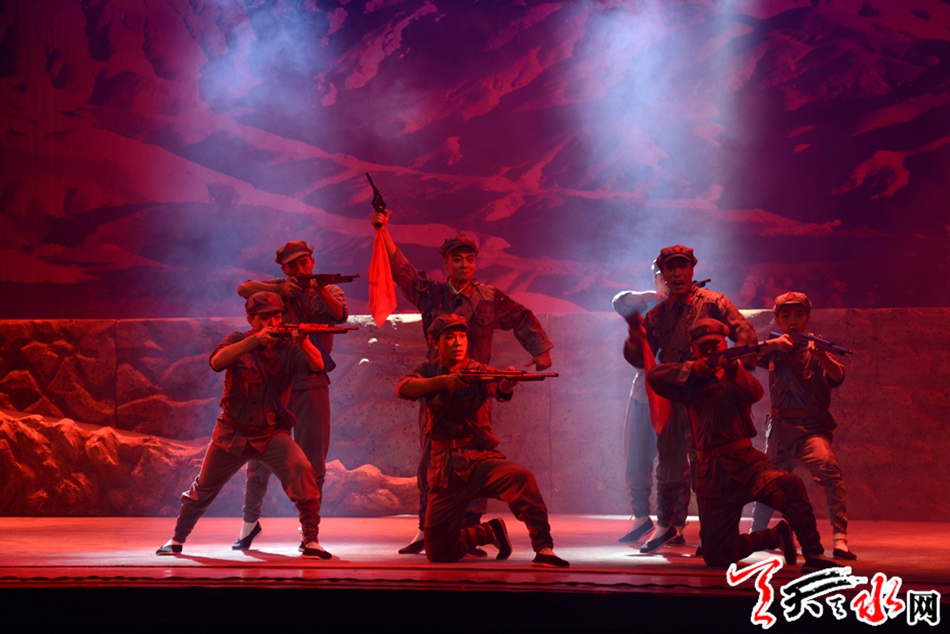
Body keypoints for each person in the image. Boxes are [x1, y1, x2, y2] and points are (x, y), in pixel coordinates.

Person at [371, 207, 553, 554]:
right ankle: (427, 528)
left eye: (470, 259)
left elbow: (521, 317)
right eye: (457, 259)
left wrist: (540, 350)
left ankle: (470, 529)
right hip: (437, 390)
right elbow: (402, 271)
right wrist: (383, 231)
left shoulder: (488, 297)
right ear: (446, 263)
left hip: (475, 391)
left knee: (475, 456)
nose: (465, 265)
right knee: (431, 460)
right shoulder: (432, 294)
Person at [646, 319, 839, 573]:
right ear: (693, 350)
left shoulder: (735, 375)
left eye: (715, 346)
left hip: (746, 466)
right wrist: (695, 368)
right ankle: (774, 536)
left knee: (790, 484)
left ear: (725, 346)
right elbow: (654, 376)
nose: (710, 351)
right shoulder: (688, 382)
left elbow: (755, 393)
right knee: (717, 555)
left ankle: (813, 553)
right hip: (712, 476)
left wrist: (732, 368)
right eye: (703, 348)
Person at [156, 292, 331, 559]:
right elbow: (216, 361)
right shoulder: (238, 339)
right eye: (265, 317)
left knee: (302, 471)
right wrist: (254, 341)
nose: (273, 322)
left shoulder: (287, 348)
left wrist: (304, 342)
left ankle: (311, 540)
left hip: (270, 435)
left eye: (277, 316)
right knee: (203, 489)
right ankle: (177, 538)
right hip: (232, 433)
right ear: (251, 319)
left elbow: (318, 364)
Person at [396, 313, 568, 567]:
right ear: (435, 343)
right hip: (444, 470)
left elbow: (496, 387)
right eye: (450, 337)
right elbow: (403, 388)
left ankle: (544, 548)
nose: (458, 342)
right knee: (439, 552)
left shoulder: (478, 370)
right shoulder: (428, 371)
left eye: (462, 336)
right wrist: (444, 381)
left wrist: (507, 384)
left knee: (521, 478)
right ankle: (488, 532)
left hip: (477, 462)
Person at [623, 245, 758, 554]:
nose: (677, 273)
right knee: (668, 462)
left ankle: (712, 529)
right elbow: (639, 359)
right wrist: (635, 339)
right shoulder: (657, 315)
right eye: (670, 268)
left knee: (706, 466)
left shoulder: (713, 302)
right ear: (663, 274)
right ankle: (666, 525)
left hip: (708, 398)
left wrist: (731, 370)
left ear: (692, 269)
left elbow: (744, 333)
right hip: (674, 396)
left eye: (682, 266)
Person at [231, 240, 348, 552]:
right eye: (292, 265)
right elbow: (244, 289)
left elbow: (339, 315)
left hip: (311, 381)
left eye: (304, 262)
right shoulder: (278, 288)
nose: (300, 269)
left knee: (313, 461)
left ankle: (310, 534)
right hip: (275, 382)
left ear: (312, 261)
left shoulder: (329, 290)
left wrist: (319, 289)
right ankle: (249, 523)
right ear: (284, 269)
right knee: (258, 455)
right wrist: (281, 290)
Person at [749, 292, 855, 560]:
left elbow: (837, 376)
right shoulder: (775, 348)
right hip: (780, 431)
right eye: (786, 315)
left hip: (810, 431)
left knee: (830, 474)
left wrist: (823, 357)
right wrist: (773, 345)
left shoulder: (814, 348)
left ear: (807, 318)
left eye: (798, 314)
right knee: (766, 483)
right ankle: (755, 533)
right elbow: (747, 356)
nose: (792, 321)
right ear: (777, 319)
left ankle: (840, 539)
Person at [612, 261, 666, 543]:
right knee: (636, 458)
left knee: (673, 464)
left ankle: (673, 522)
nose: (669, 279)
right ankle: (641, 516)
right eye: (662, 275)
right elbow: (619, 302)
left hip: (674, 394)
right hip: (643, 393)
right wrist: (652, 296)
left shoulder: (690, 309)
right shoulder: (650, 306)